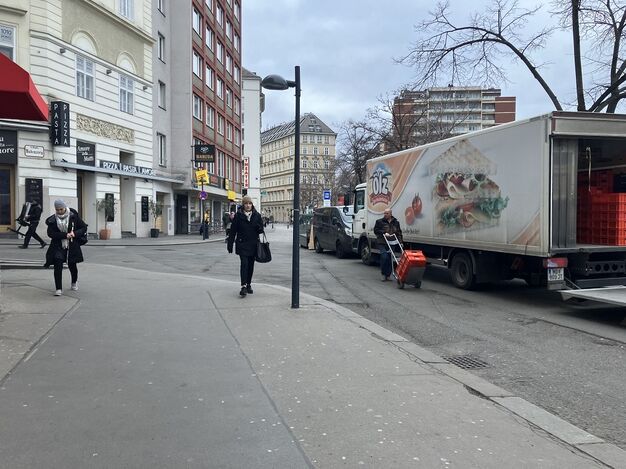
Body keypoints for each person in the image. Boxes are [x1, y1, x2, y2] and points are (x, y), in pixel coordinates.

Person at [44, 199, 87, 296]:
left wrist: (74, 233)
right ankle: (58, 288)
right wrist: (64, 235)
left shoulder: (73, 216)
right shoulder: (52, 220)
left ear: (64, 207)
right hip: (58, 245)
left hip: (72, 244)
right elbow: (50, 233)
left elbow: (83, 227)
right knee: (57, 265)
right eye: (57, 209)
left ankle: (74, 282)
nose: (59, 211)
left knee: (72, 265)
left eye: (61, 209)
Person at [227, 195, 264, 297]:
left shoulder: (257, 215)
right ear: (243, 205)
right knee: (244, 264)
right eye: (246, 203)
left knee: (251, 265)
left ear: (252, 205)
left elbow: (261, 230)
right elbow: (233, 231)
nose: (248, 205)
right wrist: (230, 244)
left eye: (250, 203)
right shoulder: (238, 216)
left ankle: (248, 284)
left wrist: (259, 227)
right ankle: (243, 286)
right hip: (242, 244)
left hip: (253, 244)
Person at [374, 208, 403, 281]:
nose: (385, 215)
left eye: (387, 213)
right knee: (384, 256)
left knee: (390, 258)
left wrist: (400, 242)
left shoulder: (396, 222)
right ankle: (383, 274)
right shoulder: (379, 221)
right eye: (384, 213)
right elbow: (376, 230)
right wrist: (384, 232)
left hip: (392, 242)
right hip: (382, 241)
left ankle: (388, 275)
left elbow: (399, 233)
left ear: (390, 214)